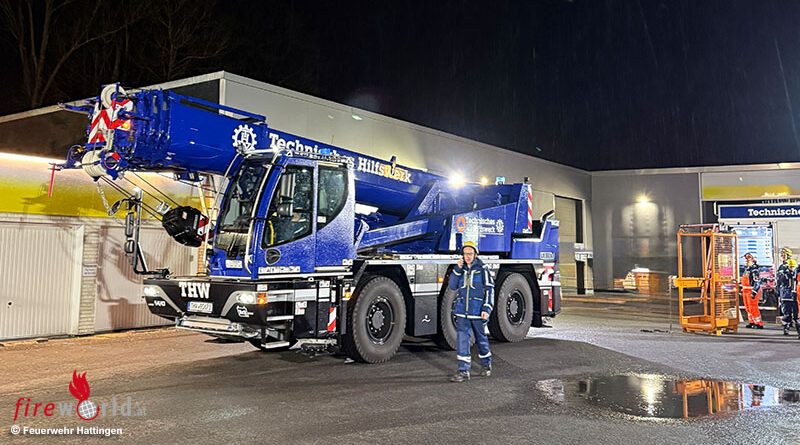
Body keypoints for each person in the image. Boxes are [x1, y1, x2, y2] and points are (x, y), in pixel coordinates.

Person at [449, 241, 495, 382]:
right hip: (462, 312)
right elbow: (452, 286)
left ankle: (486, 364)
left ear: (475, 255)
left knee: (481, 339)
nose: (467, 256)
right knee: (462, 340)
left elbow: (489, 289)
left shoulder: (482, 269)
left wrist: (486, 308)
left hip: (477, 312)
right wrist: (457, 269)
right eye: (465, 254)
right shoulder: (460, 269)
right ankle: (463, 371)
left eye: (470, 254)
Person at [775, 248, 799, 337]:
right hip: (786, 294)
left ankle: (795, 327)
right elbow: (779, 281)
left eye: (783, 254)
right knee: (786, 312)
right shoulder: (782, 267)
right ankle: (787, 327)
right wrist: (778, 292)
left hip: (794, 295)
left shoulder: (795, 269)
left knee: (795, 313)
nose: (782, 256)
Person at [741, 253, 764, 329]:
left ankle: (758, 323)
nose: (746, 261)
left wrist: (754, 292)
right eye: (746, 260)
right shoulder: (747, 269)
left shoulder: (754, 270)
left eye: (748, 260)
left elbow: (757, 282)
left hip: (751, 290)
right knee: (748, 307)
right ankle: (751, 321)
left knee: (753, 307)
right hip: (745, 290)